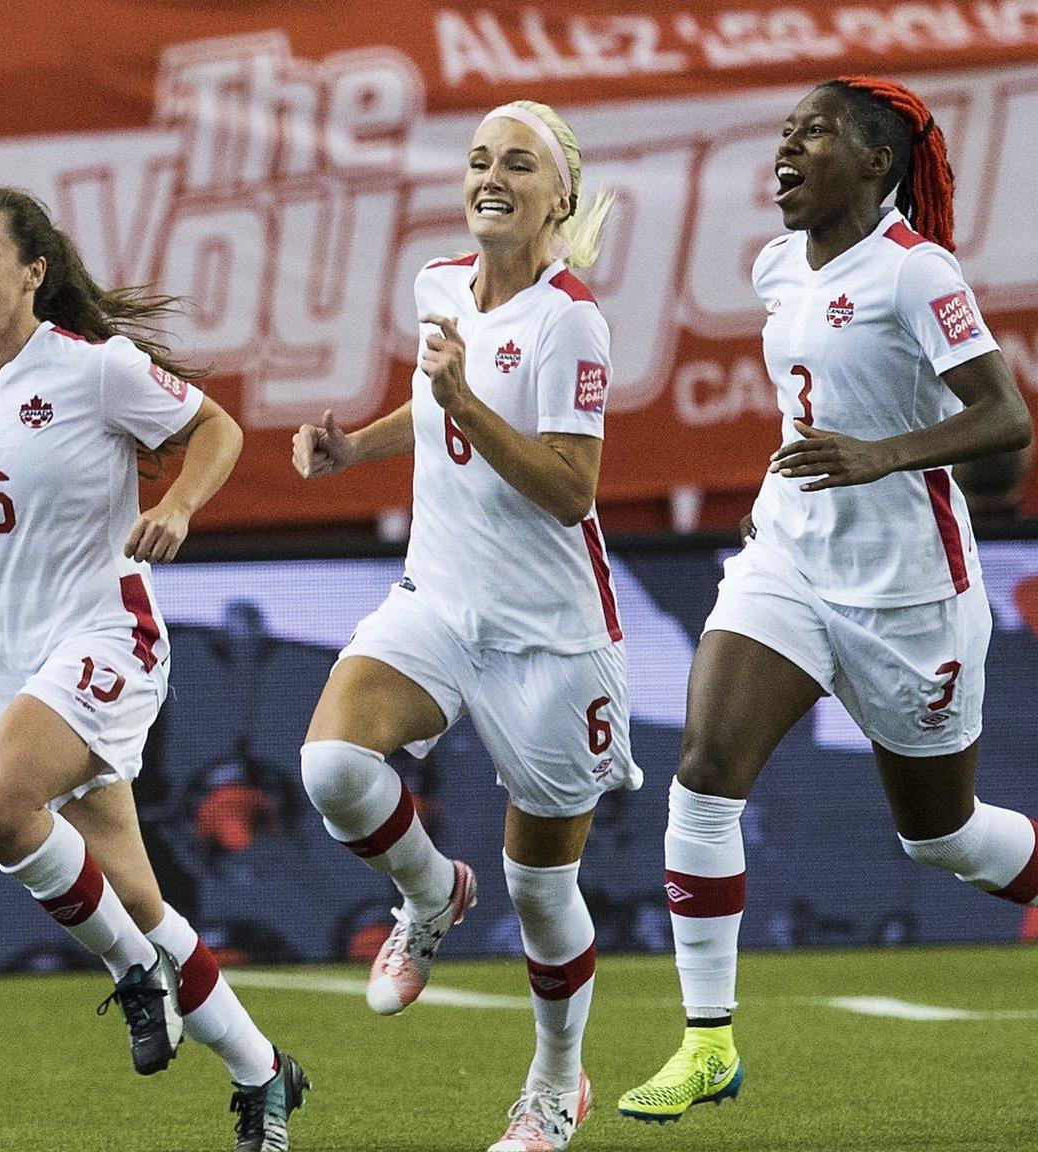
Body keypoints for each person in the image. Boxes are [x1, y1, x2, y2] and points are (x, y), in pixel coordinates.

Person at [0, 184, 308, 1152]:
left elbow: (214, 427)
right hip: (7, 669)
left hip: (105, 637)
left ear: (31, 271)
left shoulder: (95, 370)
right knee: (134, 897)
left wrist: (176, 506)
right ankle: (263, 1073)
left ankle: (132, 975)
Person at [617, 76, 1032, 1123]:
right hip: (789, 561)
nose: (786, 148)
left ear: (876, 163)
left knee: (940, 839)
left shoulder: (913, 271)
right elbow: (813, 408)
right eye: (785, 131)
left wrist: (880, 456)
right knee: (704, 772)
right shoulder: (772, 266)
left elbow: (1003, 418)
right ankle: (705, 1039)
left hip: (908, 596)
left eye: (814, 132)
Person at [292, 101, 627, 1152]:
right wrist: (357, 449)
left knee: (542, 892)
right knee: (332, 769)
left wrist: (467, 403)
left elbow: (571, 490)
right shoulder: (438, 284)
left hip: (548, 636)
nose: (489, 175)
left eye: (516, 163)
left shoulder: (570, 318)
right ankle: (430, 893)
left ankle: (553, 1084)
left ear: (556, 198)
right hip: (436, 600)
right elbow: (436, 405)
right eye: (478, 158)